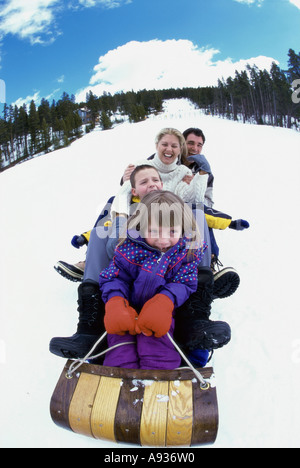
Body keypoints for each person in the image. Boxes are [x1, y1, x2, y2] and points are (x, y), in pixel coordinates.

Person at [49, 129, 219, 360]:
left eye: (155, 180)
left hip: (171, 259)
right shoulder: (123, 202)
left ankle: (198, 311)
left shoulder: (172, 197)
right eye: (144, 182)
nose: (151, 184)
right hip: (129, 257)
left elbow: (198, 205)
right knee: (100, 232)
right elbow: (109, 234)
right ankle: (88, 330)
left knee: (197, 215)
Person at [98, 190, 230, 369]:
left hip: (161, 311)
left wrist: (165, 302)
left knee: (158, 340)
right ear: (141, 226)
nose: (163, 240)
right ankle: (119, 378)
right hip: (127, 309)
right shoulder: (128, 249)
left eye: (172, 231)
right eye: (153, 231)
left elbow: (184, 282)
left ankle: (160, 378)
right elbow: (113, 277)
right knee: (120, 341)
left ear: (182, 228)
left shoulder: (186, 254)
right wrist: (115, 301)